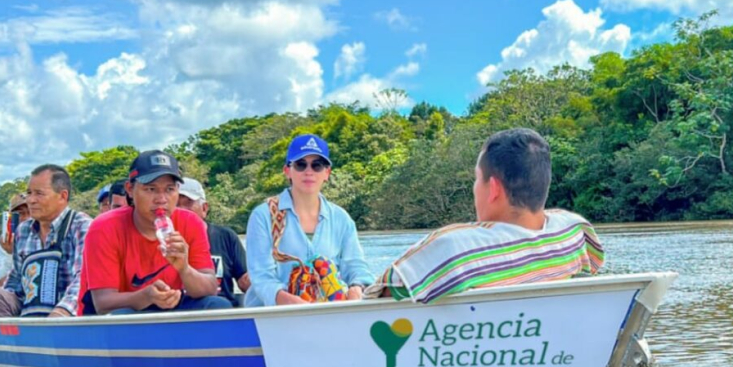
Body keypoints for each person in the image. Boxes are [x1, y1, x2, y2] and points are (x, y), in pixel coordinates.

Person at [366, 128, 605, 303]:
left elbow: (377, 304)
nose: (474, 187)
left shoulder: (453, 249)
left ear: (494, 189)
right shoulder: (573, 232)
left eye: (477, 178)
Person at [77, 150, 231, 315]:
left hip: (171, 304)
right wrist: (146, 296)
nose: (161, 199)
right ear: (130, 189)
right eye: (151, 189)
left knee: (217, 305)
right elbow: (103, 303)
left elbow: (210, 288)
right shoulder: (105, 227)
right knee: (121, 316)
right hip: (126, 309)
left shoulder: (190, 222)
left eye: (169, 189)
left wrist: (185, 269)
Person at [244, 133, 373, 306]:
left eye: (317, 165)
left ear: (327, 173)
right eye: (300, 164)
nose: (309, 171)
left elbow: (356, 267)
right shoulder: (262, 216)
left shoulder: (342, 218)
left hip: (330, 310)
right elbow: (261, 276)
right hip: (273, 315)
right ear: (287, 171)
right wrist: (290, 302)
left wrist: (356, 288)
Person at [0, 164, 92, 317]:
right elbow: (15, 280)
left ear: (63, 196)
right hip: (29, 312)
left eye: (39, 194)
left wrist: (61, 312)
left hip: (71, 317)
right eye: (29, 193)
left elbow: (84, 277)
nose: (31, 200)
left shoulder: (81, 226)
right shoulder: (23, 231)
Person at [177, 177, 251, 306]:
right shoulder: (162, 239)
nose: (182, 209)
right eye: (176, 204)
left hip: (220, 309)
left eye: (188, 203)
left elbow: (244, 281)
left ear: (204, 208)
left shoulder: (225, 236)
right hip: (178, 308)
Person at [0, 194, 31, 287]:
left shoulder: (46, 241)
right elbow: (0, 286)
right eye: (21, 214)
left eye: (31, 212)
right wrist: (12, 254)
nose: (27, 218)